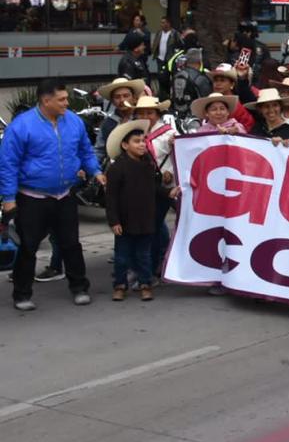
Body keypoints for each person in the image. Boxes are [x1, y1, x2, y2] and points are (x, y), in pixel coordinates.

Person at [0, 79, 104, 310]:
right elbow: (7, 164)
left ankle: (79, 287)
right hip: (32, 198)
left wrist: (96, 171)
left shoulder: (74, 122)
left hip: (65, 195)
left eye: (66, 98)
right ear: (46, 100)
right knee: (28, 246)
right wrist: (8, 199)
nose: (67, 103)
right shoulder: (21, 126)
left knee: (71, 244)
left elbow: (85, 150)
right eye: (62, 99)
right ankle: (22, 294)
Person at [104, 121, 178, 302]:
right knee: (122, 256)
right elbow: (111, 197)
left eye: (143, 141)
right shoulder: (116, 168)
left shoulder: (148, 166)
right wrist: (114, 221)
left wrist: (169, 191)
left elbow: (153, 188)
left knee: (144, 255)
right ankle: (120, 285)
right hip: (124, 221)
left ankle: (145, 284)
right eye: (136, 141)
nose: (142, 144)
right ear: (124, 145)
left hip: (146, 219)